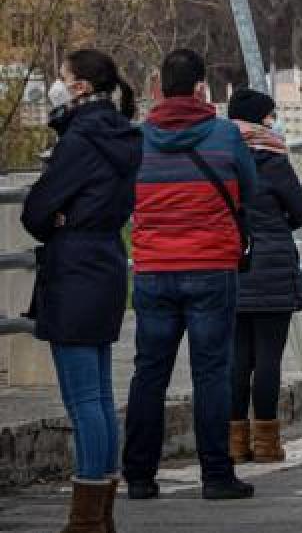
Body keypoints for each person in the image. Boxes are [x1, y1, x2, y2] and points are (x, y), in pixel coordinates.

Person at [123, 49, 257, 501]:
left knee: (149, 372)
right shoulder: (225, 135)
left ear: (160, 86)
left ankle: (139, 476)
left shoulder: (138, 139)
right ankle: (216, 476)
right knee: (211, 372)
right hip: (211, 268)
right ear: (201, 86)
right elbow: (251, 190)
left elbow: (126, 198)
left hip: (153, 269)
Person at [21, 50, 141, 531]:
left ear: (80, 88)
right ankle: (100, 508)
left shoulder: (80, 141)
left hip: (73, 269)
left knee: (83, 397)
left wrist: (58, 217)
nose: (55, 83)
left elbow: (35, 211)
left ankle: (87, 514)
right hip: (107, 264)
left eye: (62, 77)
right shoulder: (123, 137)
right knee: (99, 394)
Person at [226, 89, 302, 465]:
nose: (273, 122)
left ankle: (234, 440)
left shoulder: (220, 157)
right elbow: (300, 210)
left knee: (237, 358)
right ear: (261, 119)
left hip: (230, 264)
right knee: (269, 358)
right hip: (273, 263)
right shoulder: (273, 159)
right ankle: (266, 441)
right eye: (270, 116)